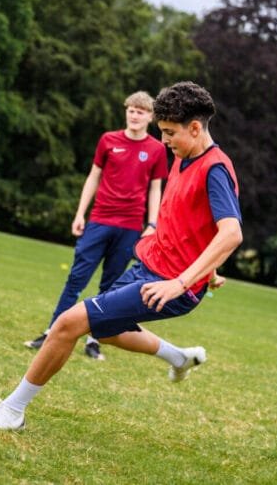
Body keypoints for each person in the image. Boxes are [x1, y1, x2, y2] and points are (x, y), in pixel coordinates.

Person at [0, 81, 243, 430]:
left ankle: (12, 411)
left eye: (169, 132)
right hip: (149, 266)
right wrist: (210, 268)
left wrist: (182, 281)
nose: (164, 141)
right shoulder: (182, 156)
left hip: (169, 283)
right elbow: (197, 223)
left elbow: (231, 232)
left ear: (195, 127)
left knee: (68, 323)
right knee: (106, 331)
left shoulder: (215, 168)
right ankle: (179, 358)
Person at [23, 91, 168, 361]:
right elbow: (93, 177)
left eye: (141, 111)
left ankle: (94, 340)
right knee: (76, 279)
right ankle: (52, 331)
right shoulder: (108, 140)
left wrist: (152, 223)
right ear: (126, 112)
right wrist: (80, 213)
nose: (135, 115)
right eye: (131, 110)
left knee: (112, 287)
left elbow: (156, 189)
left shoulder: (157, 149)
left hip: (130, 227)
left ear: (150, 116)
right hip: (99, 221)